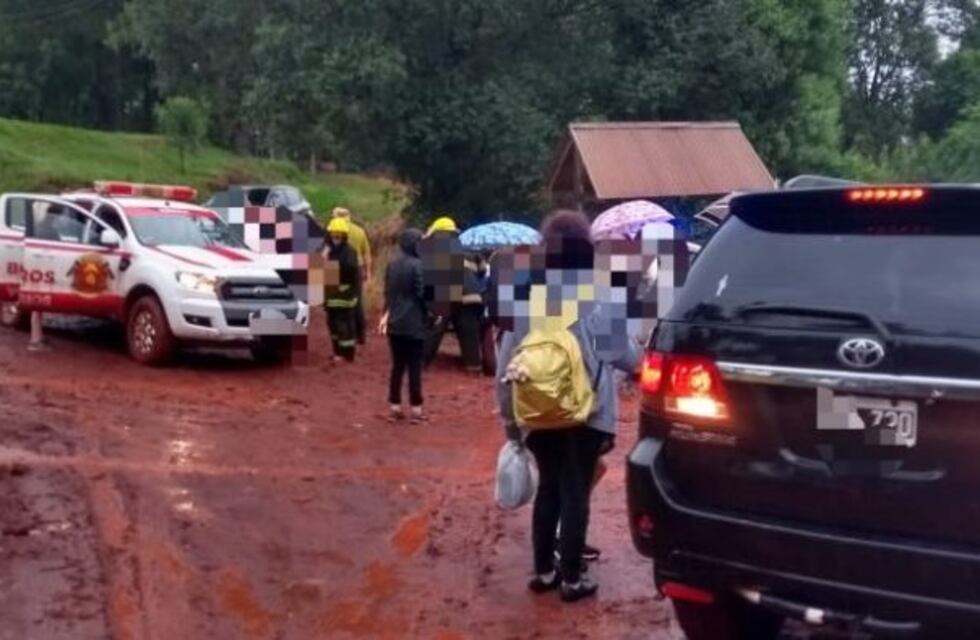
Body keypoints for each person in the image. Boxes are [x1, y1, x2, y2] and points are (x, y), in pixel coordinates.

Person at [495, 210, 640, 603]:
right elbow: (624, 356)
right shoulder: (599, 297)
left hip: (537, 413)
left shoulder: (526, 300)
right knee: (575, 492)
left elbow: (505, 366)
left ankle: (544, 572)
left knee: (548, 491)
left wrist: (512, 425)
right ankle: (573, 579)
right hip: (586, 414)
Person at [380, 228, 428, 423]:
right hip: (414, 323)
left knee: (397, 366)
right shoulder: (419, 266)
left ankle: (395, 406)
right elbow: (422, 293)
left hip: (395, 322)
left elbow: (387, 293)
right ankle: (416, 410)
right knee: (415, 367)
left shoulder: (392, 264)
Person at [331, 207, 371, 345]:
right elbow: (366, 253)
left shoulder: (333, 232)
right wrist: (368, 272)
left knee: (338, 305)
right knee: (357, 303)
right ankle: (361, 336)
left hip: (337, 270)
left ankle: (341, 336)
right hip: (357, 270)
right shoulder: (359, 231)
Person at [324, 217, 361, 362]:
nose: (335, 238)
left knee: (343, 324)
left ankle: (347, 354)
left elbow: (350, 271)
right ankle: (337, 352)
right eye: (333, 235)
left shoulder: (349, 252)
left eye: (338, 235)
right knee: (332, 324)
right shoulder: (329, 251)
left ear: (344, 236)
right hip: (331, 295)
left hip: (344, 296)